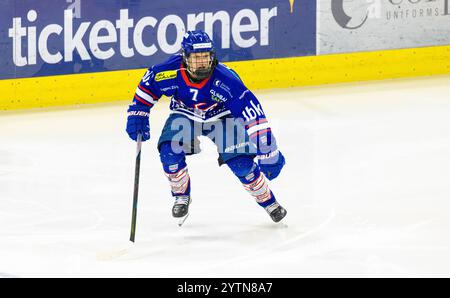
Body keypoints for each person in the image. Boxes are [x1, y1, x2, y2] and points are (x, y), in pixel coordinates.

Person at [126, 30, 286, 224]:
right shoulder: (168, 71)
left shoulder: (227, 80)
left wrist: (268, 150)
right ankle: (181, 196)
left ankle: (269, 202)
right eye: (196, 57)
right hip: (185, 115)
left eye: (205, 56)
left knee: (242, 165)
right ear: (185, 57)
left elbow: (253, 115)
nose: (202, 62)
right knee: (169, 153)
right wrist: (138, 113)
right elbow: (147, 87)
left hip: (222, 118)